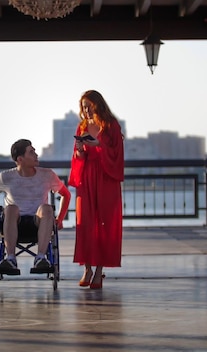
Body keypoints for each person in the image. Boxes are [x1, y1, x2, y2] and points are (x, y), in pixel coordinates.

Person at [0, 139, 71, 275]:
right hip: (14, 222)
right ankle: (11, 258)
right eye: (31, 152)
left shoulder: (47, 175)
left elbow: (66, 194)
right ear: (20, 159)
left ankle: (41, 257)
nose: (36, 155)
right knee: (11, 208)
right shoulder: (6, 177)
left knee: (47, 208)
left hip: (39, 222)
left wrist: (60, 219)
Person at [69, 90, 124, 289]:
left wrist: (99, 144)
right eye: (83, 106)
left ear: (98, 104)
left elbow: (117, 154)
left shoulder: (111, 126)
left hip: (106, 178)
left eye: (89, 105)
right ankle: (87, 267)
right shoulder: (83, 126)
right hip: (87, 178)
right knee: (85, 222)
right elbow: (79, 158)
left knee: (104, 224)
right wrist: (80, 149)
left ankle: (100, 270)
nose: (85, 109)